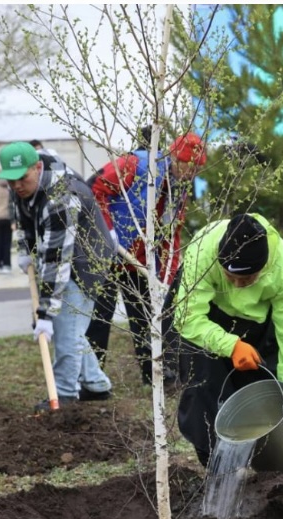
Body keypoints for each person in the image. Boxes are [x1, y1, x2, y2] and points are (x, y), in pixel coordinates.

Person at [171, 213, 283, 471]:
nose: (238, 285)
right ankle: (219, 463)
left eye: (247, 279)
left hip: (259, 320)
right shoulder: (202, 252)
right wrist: (230, 345)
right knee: (205, 381)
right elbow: (187, 318)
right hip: (208, 317)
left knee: (280, 381)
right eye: (230, 276)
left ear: (262, 269)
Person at [0, 141, 116, 411]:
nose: (16, 186)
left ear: (37, 168)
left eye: (22, 179)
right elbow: (23, 217)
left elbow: (56, 261)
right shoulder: (21, 184)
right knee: (74, 328)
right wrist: (25, 249)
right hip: (63, 254)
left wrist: (46, 315)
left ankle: (63, 393)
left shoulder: (61, 197)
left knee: (66, 328)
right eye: (10, 180)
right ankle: (97, 385)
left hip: (88, 261)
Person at [86, 130, 206, 386]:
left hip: (139, 261)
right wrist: (107, 231)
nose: (192, 174)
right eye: (190, 167)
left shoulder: (179, 189)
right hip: (106, 253)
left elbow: (171, 233)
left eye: (197, 170)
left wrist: (168, 277)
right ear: (175, 158)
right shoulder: (136, 165)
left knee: (145, 316)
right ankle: (91, 377)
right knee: (99, 316)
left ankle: (155, 376)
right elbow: (94, 189)